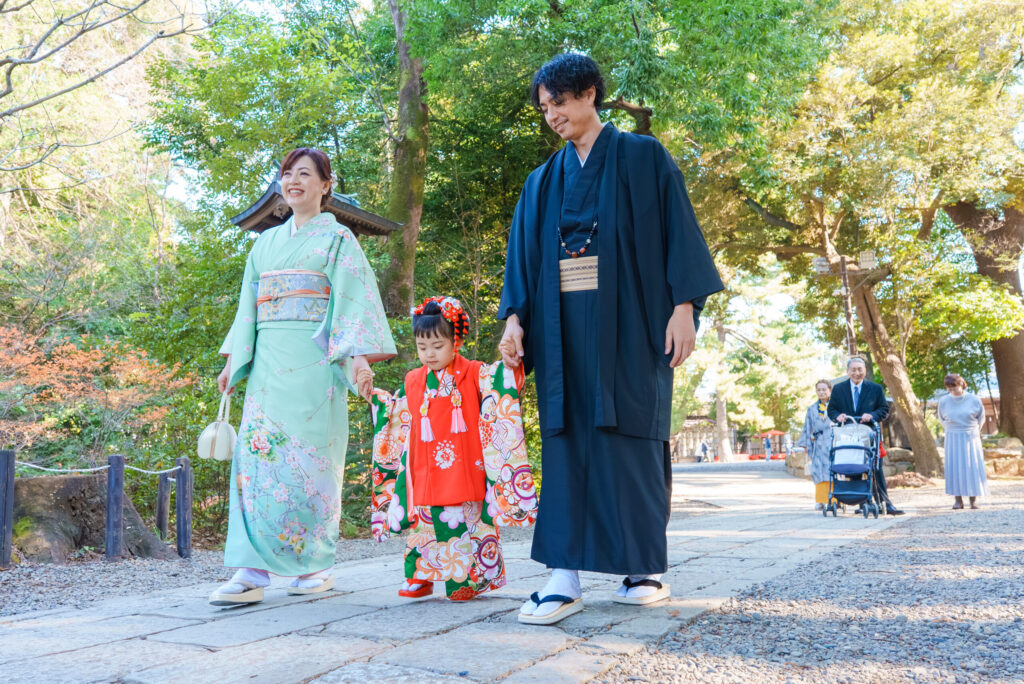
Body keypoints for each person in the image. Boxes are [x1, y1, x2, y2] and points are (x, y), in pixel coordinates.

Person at [498, 53, 723, 625]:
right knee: (567, 435)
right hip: (560, 325)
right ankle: (563, 574)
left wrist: (683, 308)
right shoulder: (541, 181)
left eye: (562, 101)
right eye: (546, 107)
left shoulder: (644, 158)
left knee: (633, 431)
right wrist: (514, 320)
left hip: (633, 319)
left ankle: (641, 568)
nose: (553, 115)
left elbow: (677, 230)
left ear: (591, 94)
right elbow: (523, 259)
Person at [208, 148, 396, 606]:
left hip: (316, 366)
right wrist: (235, 360)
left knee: (312, 463)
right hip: (269, 365)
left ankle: (315, 564)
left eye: (305, 174)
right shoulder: (264, 245)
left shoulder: (339, 241)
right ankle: (251, 568)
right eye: (287, 174)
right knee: (256, 463)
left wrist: (359, 361)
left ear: (325, 185)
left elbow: (352, 305)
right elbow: (248, 309)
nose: (293, 182)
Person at [368, 297, 537, 600]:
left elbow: (501, 385)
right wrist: (377, 399)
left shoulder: (475, 372)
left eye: (437, 346)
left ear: (455, 341)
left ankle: (467, 580)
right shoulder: (413, 379)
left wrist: (511, 359)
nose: (429, 354)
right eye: (422, 347)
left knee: (467, 520)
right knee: (427, 522)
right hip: (427, 466)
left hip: (465, 464)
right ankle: (421, 575)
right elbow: (399, 414)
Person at [826, 357, 904, 516]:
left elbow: (884, 409)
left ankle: (885, 504)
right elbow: (831, 410)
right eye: (853, 369)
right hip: (847, 435)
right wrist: (838, 416)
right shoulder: (839, 389)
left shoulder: (875, 389)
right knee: (853, 468)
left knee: (875, 469)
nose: (856, 373)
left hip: (869, 434)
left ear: (865, 371)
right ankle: (861, 502)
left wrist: (872, 415)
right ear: (848, 371)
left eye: (859, 369)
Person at [936, 373, 989, 510]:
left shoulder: (973, 399)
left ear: (961, 384)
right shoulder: (944, 401)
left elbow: (981, 418)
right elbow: (941, 418)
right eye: (948, 388)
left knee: (972, 465)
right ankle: (958, 500)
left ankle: (973, 499)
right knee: (955, 466)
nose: (951, 390)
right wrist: (950, 428)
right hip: (953, 435)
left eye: (953, 387)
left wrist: (973, 430)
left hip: (970, 434)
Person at [796, 380, 834, 510]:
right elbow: (807, 428)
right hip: (818, 443)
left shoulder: (836, 406)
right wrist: (806, 445)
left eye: (824, 389)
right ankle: (821, 500)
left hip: (833, 442)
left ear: (830, 390)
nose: (822, 392)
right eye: (819, 390)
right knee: (818, 472)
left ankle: (834, 499)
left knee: (832, 471)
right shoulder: (812, 409)